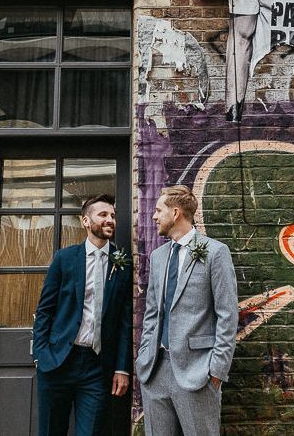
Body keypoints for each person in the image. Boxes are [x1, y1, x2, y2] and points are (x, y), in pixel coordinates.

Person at [135, 185, 238, 435]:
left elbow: (228, 314)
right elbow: (151, 314)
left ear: (176, 212)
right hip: (155, 370)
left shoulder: (215, 252)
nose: (154, 216)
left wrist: (216, 371)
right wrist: (144, 356)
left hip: (198, 372)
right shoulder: (158, 257)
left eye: (159, 210)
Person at [32, 194, 133, 436]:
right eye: (103, 215)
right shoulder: (64, 259)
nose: (110, 220)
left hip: (97, 367)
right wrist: (41, 355)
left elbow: (125, 320)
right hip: (57, 362)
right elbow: (44, 310)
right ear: (85, 221)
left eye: (112, 215)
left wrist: (122, 368)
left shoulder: (123, 262)